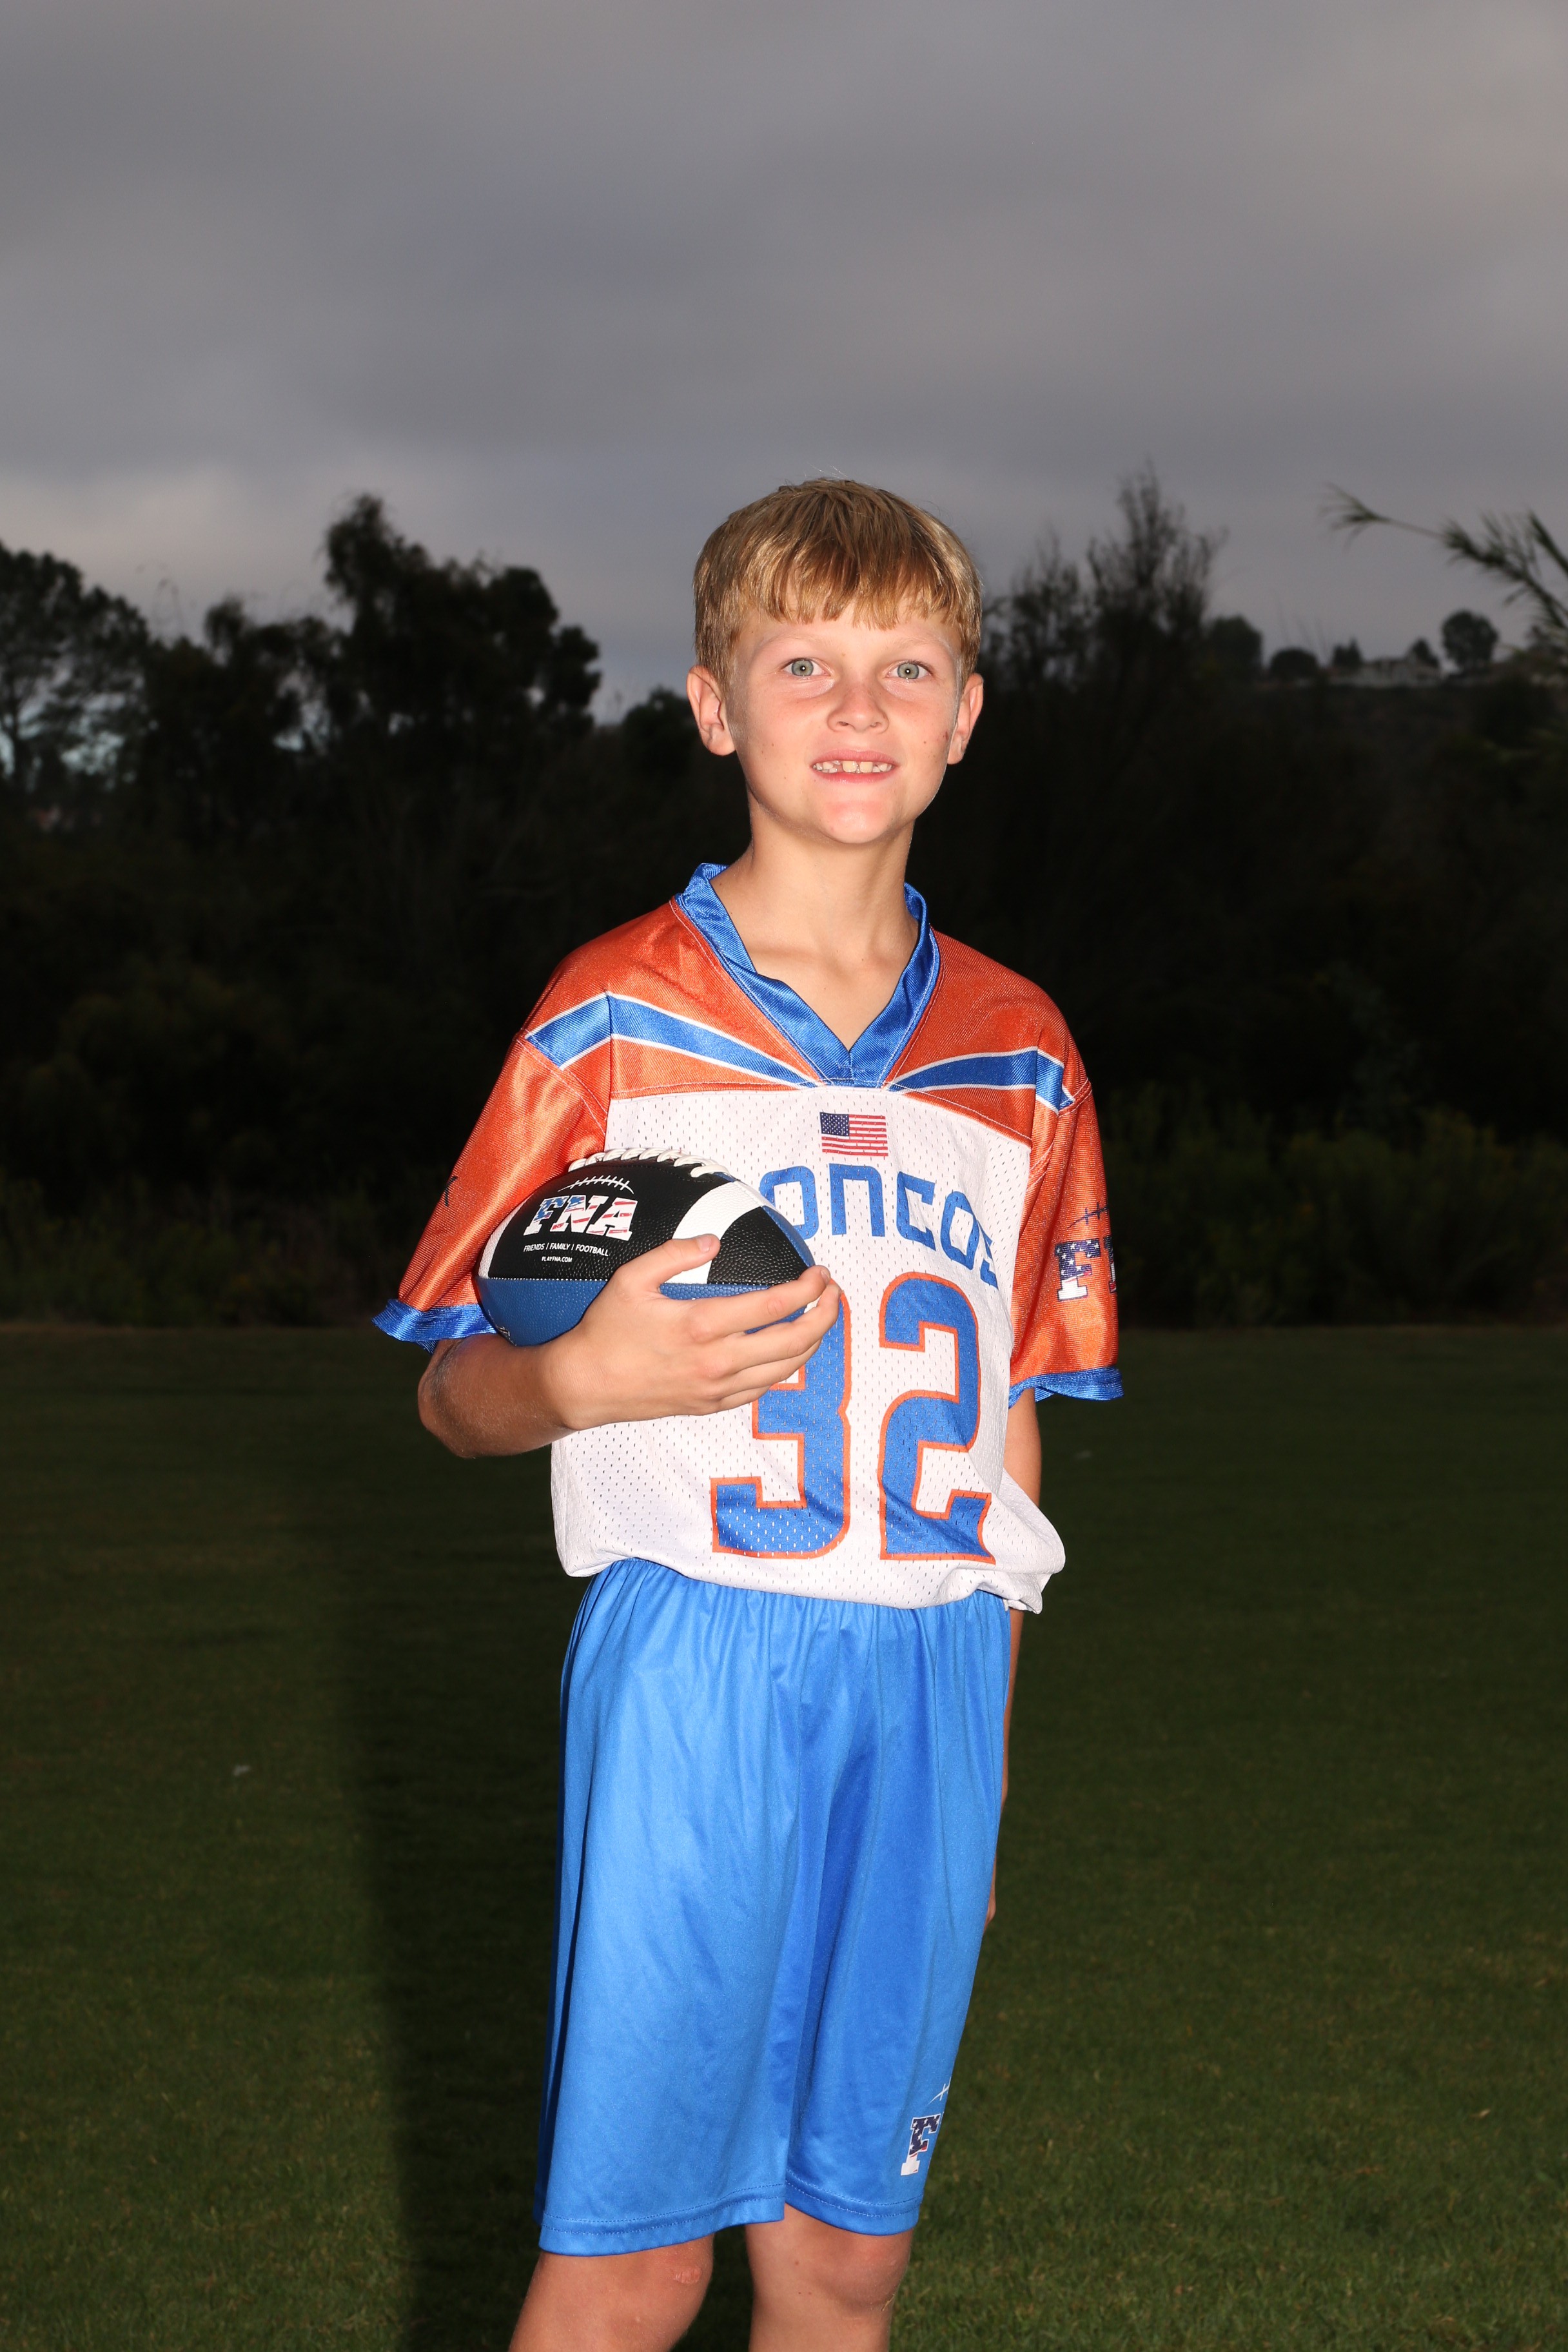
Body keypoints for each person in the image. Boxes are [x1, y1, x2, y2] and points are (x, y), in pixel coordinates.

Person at [378, 478, 1121, 2351]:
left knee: (844, 2263)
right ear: (716, 704)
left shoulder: (1023, 1048)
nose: (858, 709)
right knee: (636, 2261)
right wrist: (575, 1381)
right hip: (699, 1657)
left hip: (930, 1680)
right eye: (804, 665)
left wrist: (991, 1763)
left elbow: (1012, 1433)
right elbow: (452, 1399)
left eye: (907, 669)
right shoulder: (611, 1017)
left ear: (967, 712)